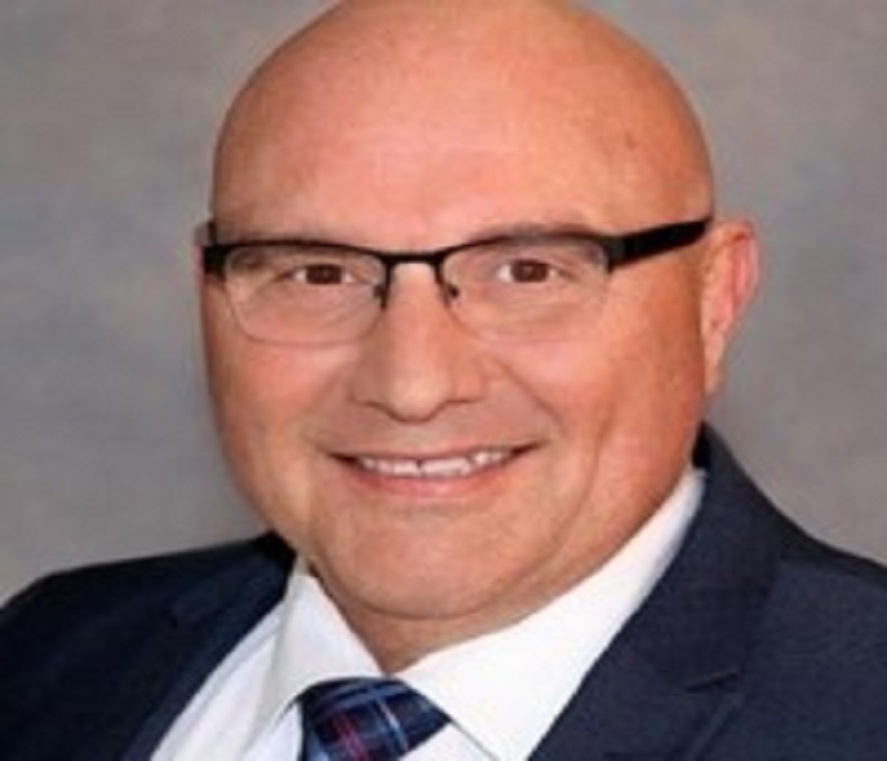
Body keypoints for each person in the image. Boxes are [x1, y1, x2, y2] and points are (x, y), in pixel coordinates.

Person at [3, 1, 887, 759]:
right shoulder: (50, 655)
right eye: (318, 272)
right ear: (207, 292)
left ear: (712, 301)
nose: (412, 383)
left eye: (528, 271)